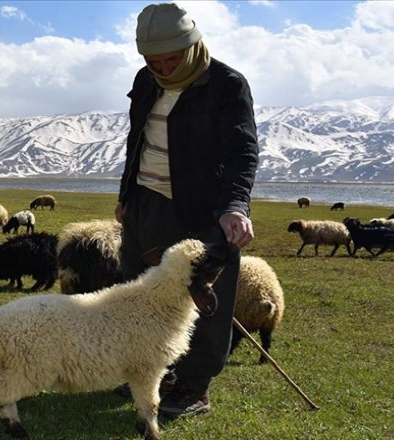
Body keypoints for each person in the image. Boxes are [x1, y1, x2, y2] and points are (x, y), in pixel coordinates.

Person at [114, 3, 259, 419]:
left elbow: (242, 152)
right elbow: (136, 140)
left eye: (171, 59)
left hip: (201, 209)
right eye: (153, 60)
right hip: (146, 201)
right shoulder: (146, 80)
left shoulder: (227, 85)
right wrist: (127, 194)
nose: (163, 67)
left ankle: (195, 387)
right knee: (140, 292)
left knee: (202, 300)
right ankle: (148, 374)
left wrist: (234, 206)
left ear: (192, 46)